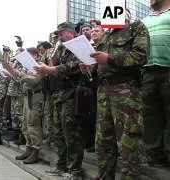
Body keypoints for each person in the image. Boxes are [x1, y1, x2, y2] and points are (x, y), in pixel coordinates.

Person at [88, 11, 149, 179]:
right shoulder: (106, 35)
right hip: (103, 91)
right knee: (103, 141)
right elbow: (99, 63)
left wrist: (109, 58)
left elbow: (141, 56)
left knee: (128, 140)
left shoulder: (136, 27)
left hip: (126, 90)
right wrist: (89, 68)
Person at [35, 22, 85, 179]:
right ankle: (61, 165)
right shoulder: (61, 47)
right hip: (58, 95)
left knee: (71, 133)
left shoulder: (79, 44)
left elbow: (76, 65)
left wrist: (52, 69)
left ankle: (74, 169)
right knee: (58, 133)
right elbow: (54, 64)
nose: (59, 37)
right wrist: (49, 64)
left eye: (61, 34)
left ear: (70, 32)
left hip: (71, 93)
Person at [141, 0, 170, 167]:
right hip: (148, 72)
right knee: (150, 116)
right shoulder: (144, 20)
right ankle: (154, 156)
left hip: (168, 69)